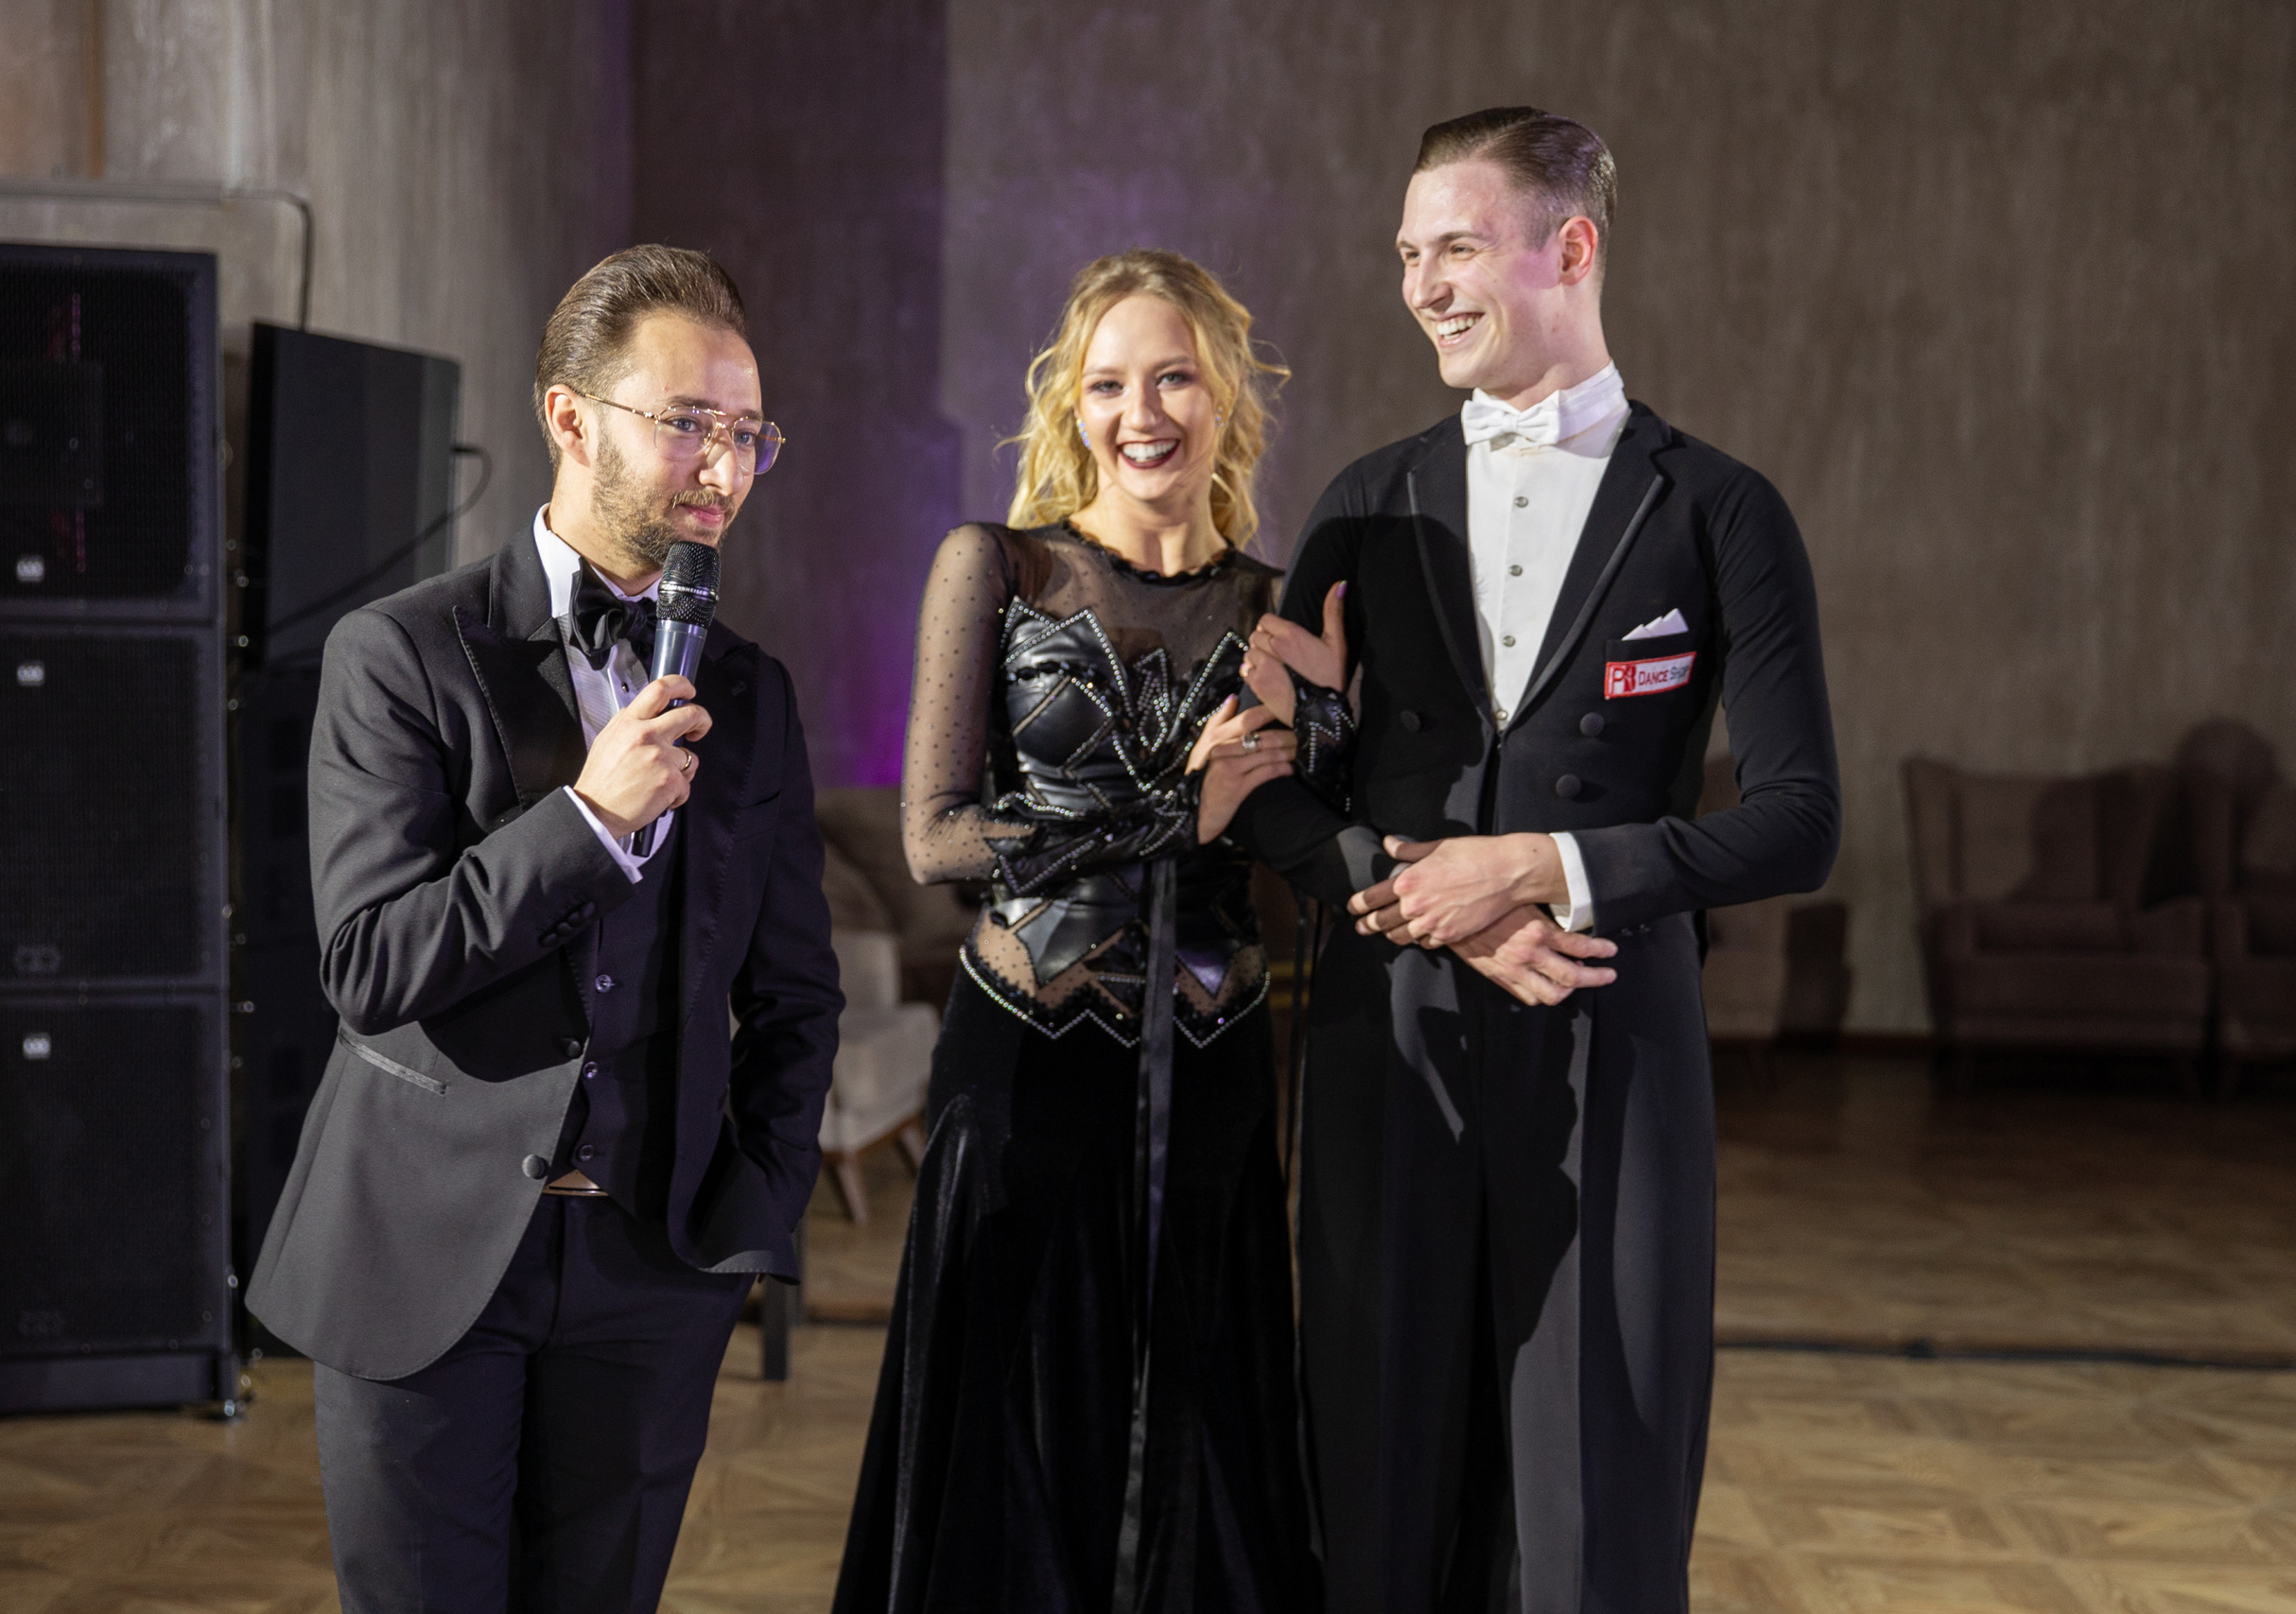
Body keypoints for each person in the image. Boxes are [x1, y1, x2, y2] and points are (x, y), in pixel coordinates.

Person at [1232, 109, 1840, 1612]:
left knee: (1602, 1496)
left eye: (1455, 248)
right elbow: (1263, 797)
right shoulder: (1363, 505)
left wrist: (1543, 867)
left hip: (1614, 1057)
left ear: (1569, 247)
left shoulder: (1720, 512)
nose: (1423, 286)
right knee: (1378, 1474)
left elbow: (1799, 819)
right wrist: (1431, 894)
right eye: (1406, 256)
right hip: (1393, 1051)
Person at [246, 245, 842, 1614]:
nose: (724, 465)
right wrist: (581, 818)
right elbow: (369, 963)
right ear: (570, 419)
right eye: (686, 421)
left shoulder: (752, 693)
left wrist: (742, 1222)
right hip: (420, 1261)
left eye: (748, 432)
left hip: (652, 1271)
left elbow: (797, 995)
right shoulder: (399, 654)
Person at [832, 249, 1320, 1614]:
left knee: (1205, 1395)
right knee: (1011, 1404)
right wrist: (1175, 810)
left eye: (1172, 376)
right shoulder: (996, 566)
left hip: (1217, 1059)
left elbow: (1319, 833)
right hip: (1026, 1060)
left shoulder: (1275, 609)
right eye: (1108, 382)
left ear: (1227, 393)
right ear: (1072, 403)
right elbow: (938, 836)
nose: (1140, 410)